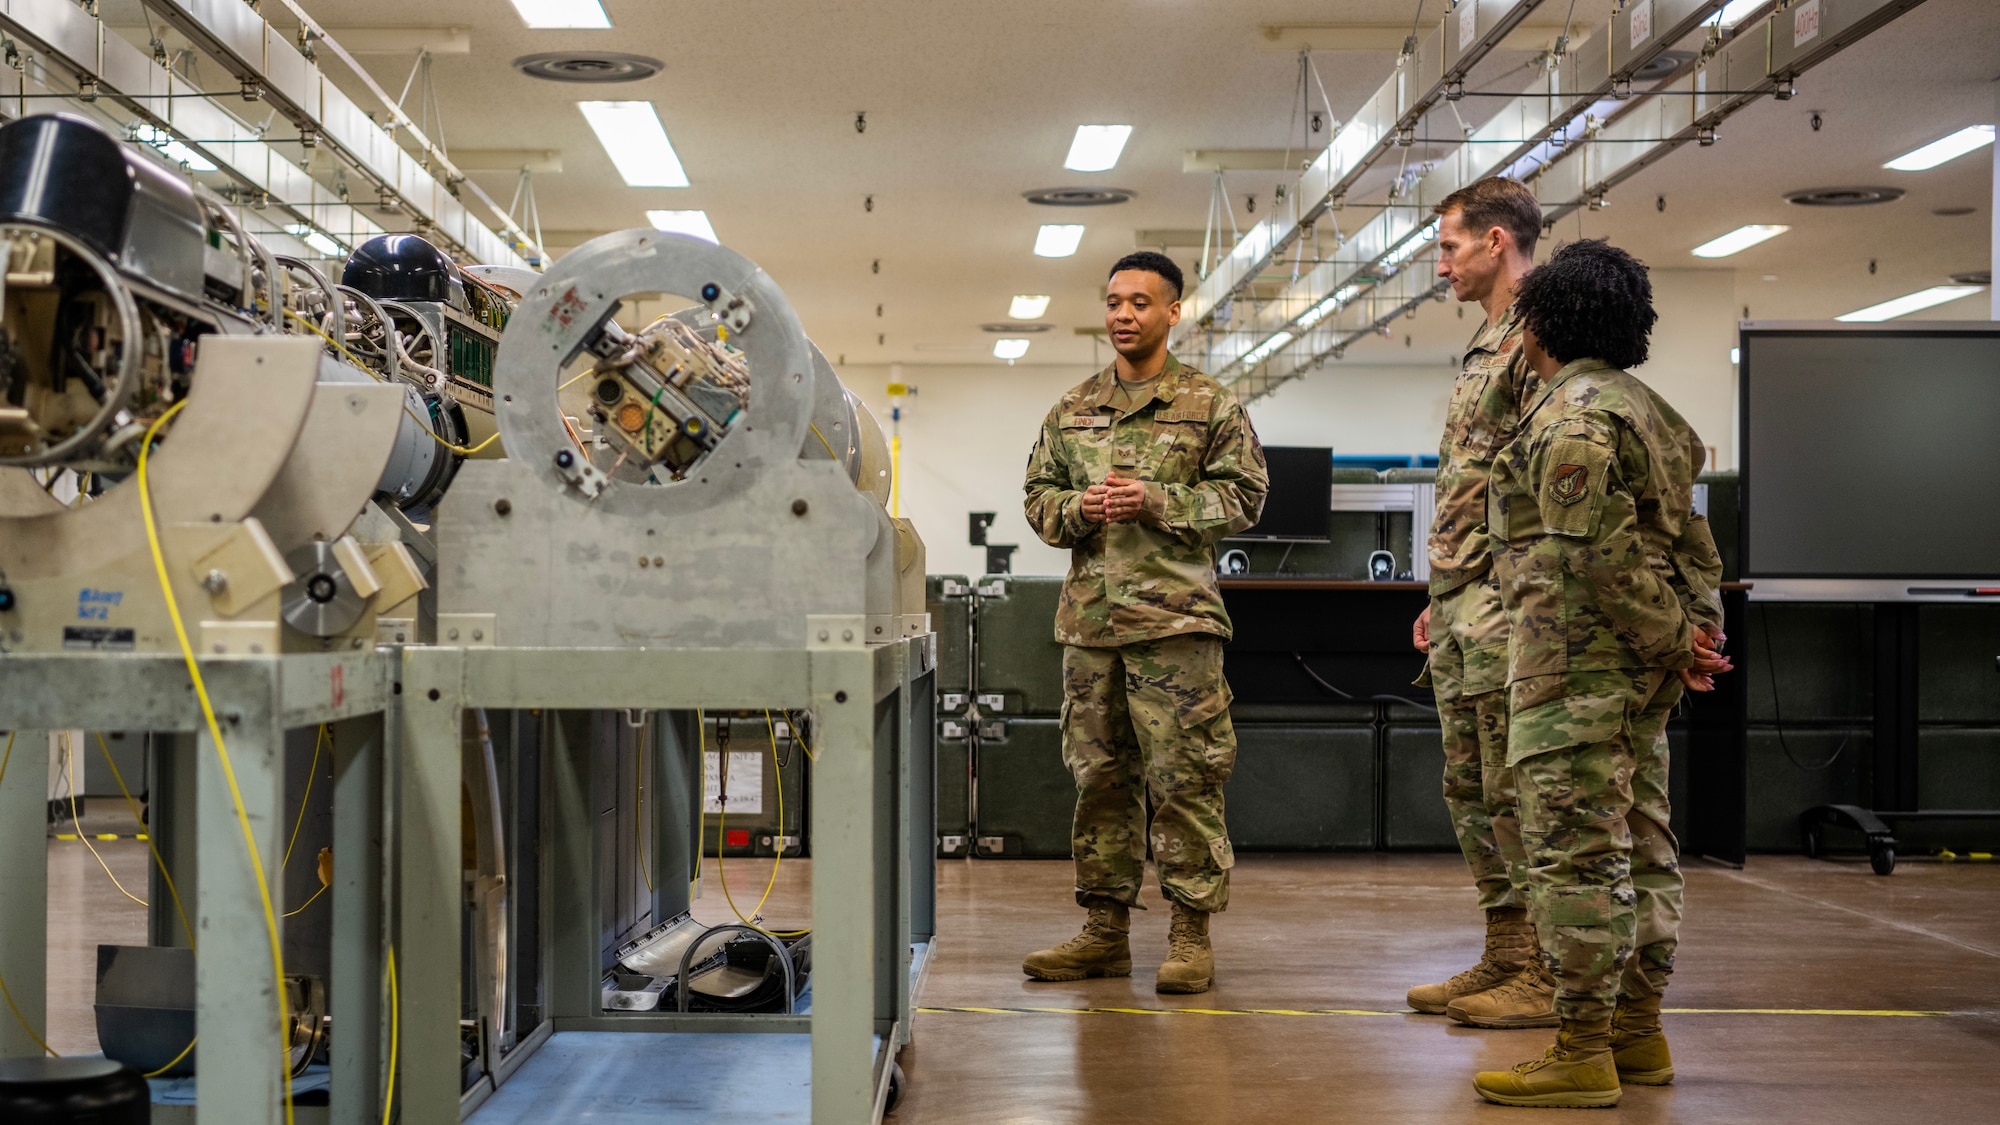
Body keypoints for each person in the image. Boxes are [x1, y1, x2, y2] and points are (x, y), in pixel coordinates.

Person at [1471, 238, 1731, 1109]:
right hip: (1632, 679)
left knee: (1574, 855)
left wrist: (1669, 640)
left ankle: (1582, 1045)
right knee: (1644, 842)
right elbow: (1697, 548)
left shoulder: (1570, 418)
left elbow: (1598, 559)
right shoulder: (1657, 413)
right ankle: (1638, 1031)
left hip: (1576, 673)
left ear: (1539, 320)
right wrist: (1695, 637)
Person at [1019, 250, 1268, 994]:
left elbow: (1246, 496)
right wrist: (1077, 509)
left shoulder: (1209, 404)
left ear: (1172, 313)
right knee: (1099, 779)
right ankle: (1104, 931)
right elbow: (1038, 499)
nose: (1123, 314)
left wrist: (1158, 500)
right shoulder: (1071, 408)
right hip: (1091, 631)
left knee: (1185, 777)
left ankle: (1190, 933)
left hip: (1176, 631)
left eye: (1140, 303)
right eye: (1114, 301)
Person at [1405, 176, 1556, 1030]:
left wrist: (1499, 591)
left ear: (1497, 242)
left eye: (1451, 246)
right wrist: (1443, 591)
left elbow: (1537, 486)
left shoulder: (1541, 337)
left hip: (1509, 606)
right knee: (1470, 786)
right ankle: (1504, 950)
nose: (1441, 264)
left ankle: (1539, 968)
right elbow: (1471, 483)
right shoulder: (1485, 343)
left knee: (1512, 787)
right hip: (1464, 602)